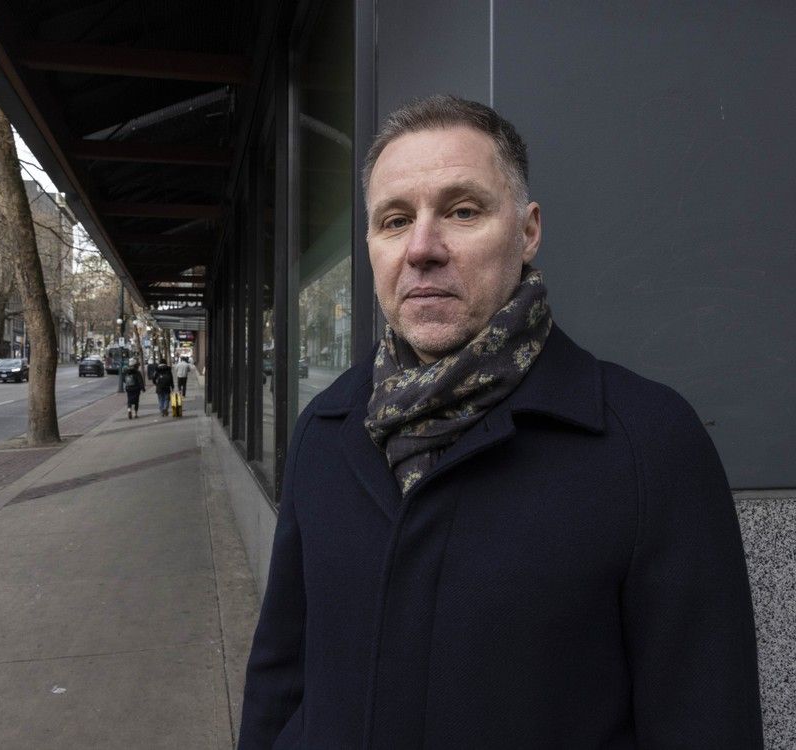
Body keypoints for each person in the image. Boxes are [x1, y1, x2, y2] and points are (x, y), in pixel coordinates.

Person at [238, 96, 763, 748]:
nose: (423, 248)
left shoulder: (648, 445)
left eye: (462, 211)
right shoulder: (325, 430)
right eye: (395, 221)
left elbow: (705, 722)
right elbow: (279, 681)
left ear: (528, 230)